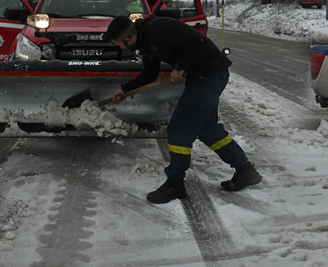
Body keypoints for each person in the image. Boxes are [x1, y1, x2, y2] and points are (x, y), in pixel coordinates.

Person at [105, 15, 262, 203]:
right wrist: (125, 89)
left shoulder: (158, 26)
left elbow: (196, 41)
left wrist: (180, 66)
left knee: (179, 129)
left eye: (119, 45)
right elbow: (150, 73)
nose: (120, 49)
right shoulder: (145, 44)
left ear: (127, 39)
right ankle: (246, 171)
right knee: (207, 129)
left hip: (210, 74)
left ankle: (175, 183)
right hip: (204, 76)